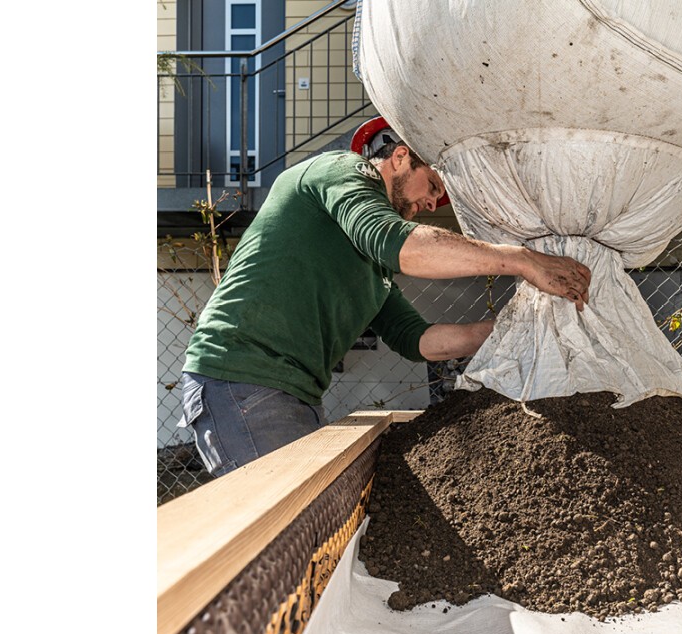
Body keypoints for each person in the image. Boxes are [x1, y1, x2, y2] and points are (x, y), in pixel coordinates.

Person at [179, 123, 592, 478]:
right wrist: (521, 259)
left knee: (306, 534)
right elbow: (396, 242)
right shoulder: (340, 168)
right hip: (241, 377)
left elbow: (420, 341)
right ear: (399, 157)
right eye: (432, 186)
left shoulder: (372, 270)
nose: (432, 204)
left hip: (289, 394)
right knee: (285, 531)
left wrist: (515, 330)